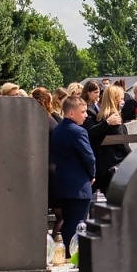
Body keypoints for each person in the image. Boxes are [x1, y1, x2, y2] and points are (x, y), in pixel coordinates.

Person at [50, 95, 96, 239]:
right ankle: (74, 254)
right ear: (71, 113)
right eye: (82, 112)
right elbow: (89, 157)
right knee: (78, 223)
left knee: (68, 221)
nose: (86, 115)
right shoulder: (79, 132)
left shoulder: (57, 130)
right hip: (79, 185)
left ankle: (67, 251)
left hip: (62, 183)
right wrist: (92, 175)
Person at [89, 83, 130, 194]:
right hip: (114, 164)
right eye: (121, 98)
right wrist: (133, 157)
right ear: (115, 99)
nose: (123, 101)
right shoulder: (114, 118)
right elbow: (122, 143)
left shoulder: (101, 117)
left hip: (103, 166)